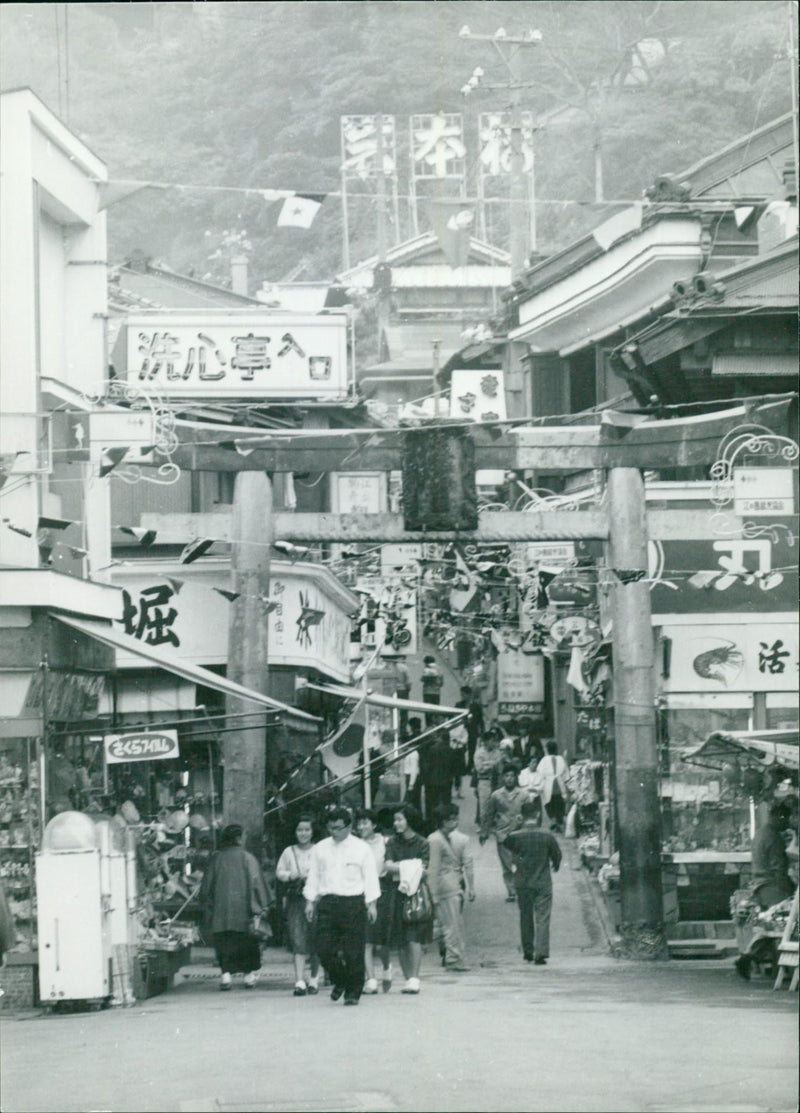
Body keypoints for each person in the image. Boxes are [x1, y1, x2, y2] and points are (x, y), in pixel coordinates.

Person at [303, 807, 380, 1006]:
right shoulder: (320, 848)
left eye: (337, 828)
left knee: (353, 950)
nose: (333, 832)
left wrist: (371, 904)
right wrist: (310, 901)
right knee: (323, 947)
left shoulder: (361, 848)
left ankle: (353, 991)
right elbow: (314, 876)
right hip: (328, 902)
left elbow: (370, 877)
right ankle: (341, 979)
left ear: (348, 827)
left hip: (353, 902)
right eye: (330, 828)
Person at [199, 823, 269, 990]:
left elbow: (207, 884)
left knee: (224, 941)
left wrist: (205, 902)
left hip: (221, 910)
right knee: (247, 941)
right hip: (244, 909)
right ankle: (248, 976)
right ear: (238, 838)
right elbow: (257, 882)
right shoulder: (248, 858)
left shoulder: (216, 858)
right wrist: (264, 903)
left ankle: (225, 976)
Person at [505, 798, 562, 964]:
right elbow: (557, 855)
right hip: (543, 881)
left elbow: (506, 842)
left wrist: (517, 825)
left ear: (522, 816)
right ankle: (541, 952)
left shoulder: (516, 836)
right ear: (537, 815)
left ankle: (528, 951)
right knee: (542, 917)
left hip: (522, 881)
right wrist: (555, 864)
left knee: (525, 916)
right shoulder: (547, 835)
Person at [383, 804, 432, 994]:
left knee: (414, 936)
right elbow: (388, 866)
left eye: (399, 819)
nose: (396, 823)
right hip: (396, 893)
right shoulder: (392, 842)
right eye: (395, 820)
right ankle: (407, 978)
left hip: (415, 893)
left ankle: (415, 977)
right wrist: (411, 867)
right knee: (401, 938)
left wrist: (401, 868)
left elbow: (425, 869)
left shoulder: (422, 843)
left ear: (409, 820)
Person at [275, 815, 320, 997]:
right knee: (297, 938)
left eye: (307, 830)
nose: (303, 833)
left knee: (316, 938)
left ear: (312, 831)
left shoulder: (319, 850)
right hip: (296, 899)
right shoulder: (288, 851)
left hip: (316, 899)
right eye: (300, 830)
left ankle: (314, 979)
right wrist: (290, 875)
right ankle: (299, 980)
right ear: (294, 832)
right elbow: (279, 872)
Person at [428, 803, 474, 972]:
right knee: (451, 925)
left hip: (450, 886)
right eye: (451, 819)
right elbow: (433, 868)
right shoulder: (436, 840)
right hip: (445, 888)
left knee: (450, 925)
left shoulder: (443, 838)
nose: (455, 822)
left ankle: (453, 957)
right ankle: (453, 959)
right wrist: (432, 894)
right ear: (443, 821)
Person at [355, 808, 392, 994]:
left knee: (381, 942)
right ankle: (371, 979)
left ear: (374, 824)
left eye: (365, 822)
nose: (361, 826)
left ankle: (387, 966)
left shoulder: (385, 842)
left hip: (382, 889)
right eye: (359, 823)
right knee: (366, 940)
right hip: (361, 892)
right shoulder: (355, 845)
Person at [480, 764, 527, 901]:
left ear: (516, 777)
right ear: (502, 778)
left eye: (512, 776)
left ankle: (521, 889)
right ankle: (511, 891)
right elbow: (489, 814)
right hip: (502, 834)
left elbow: (530, 813)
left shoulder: (524, 795)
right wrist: (485, 832)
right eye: (506, 776)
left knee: (520, 864)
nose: (509, 779)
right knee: (507, 866)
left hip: (520, 833)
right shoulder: (496, 795)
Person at [751, 801, 794, 909]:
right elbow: (779, 869)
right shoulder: (774, 838)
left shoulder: (761, 833)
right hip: (773, 888)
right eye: (786, 819)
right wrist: (790, 891)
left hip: (760, 886)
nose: (788, 823)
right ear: (780, 817)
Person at [420, 728, 456, 832]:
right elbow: (454, 768)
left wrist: (425, 778)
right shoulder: (451, 750)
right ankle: (445, 823)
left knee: (432, 803)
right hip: (447, 781)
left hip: (432, 781)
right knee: (446, 802)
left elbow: (427, 766)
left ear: (439, 737)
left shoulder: (432, 749)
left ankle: (431, 825)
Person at [536, 741, 571, 833]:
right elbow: (566, 774)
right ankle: (559, 822)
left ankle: (553, 820)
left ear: (547, 749)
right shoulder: (561, 759)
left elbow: (540, 773)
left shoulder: (544, 760)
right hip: (559, 785)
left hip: (548, 786)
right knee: (560, 804)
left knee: (550, 804)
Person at [472, 727, 505, 826]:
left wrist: (488, 764)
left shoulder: (497, 752)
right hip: (484, 781)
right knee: (484, 806)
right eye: (492, 741)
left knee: (497, 804)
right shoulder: (479, 753)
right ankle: (484, 827)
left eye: (495, 740)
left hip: (496, 781)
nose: (494, 743)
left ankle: (495, 824)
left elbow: (500, 768)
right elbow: (480, 768)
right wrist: (493, 764)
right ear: (486, 741)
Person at [456, 686, 484, 773]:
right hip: (461, 730)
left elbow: (480, 719)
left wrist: (482, 731)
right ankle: (462, 767)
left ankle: (470, 766)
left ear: (469, 695)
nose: (462, 696)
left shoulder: (476, 706)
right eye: (461, 694)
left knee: (472, 749)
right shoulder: (459, 705)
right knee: (461, 749)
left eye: (464, 694)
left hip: (472, 730)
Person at [518, 754, 545, 825]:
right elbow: (521, 785)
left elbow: (541, 787)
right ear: (528, 763)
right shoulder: (523, 773)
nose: (535, 764)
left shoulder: (540, 774)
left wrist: (533, 789)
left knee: (537, 815)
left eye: (536, 762)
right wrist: (531, 789)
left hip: (536, 798)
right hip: (525, 798)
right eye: (533, 762)